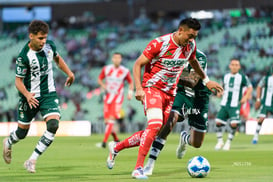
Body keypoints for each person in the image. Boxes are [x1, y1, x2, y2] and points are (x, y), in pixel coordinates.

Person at [106, 18, 223, 179]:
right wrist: (138, 89)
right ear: (180, 30)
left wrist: (207, 80)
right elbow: (137, 64)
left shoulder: (190, 46)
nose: (192, 40)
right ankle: (138, 168)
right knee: (154, 126)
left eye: (195, 36)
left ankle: (116, 147)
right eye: (190, 35)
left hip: (170, 93)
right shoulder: (159, 44)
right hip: (152, 88)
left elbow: (194, 62)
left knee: (156, 131)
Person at [2, 20, 75, 173]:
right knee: (22, 133)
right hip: (30, 97)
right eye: (40, 38)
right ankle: (8, 142)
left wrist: (69, 73)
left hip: (48, 94)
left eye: (45, 38)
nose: (43, 41)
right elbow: (18, 81)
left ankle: (32, 160)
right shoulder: (24, 57)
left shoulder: (50, 46)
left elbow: (57, 59)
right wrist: (28, 95)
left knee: (53, 125)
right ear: (31, 36)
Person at [143, 49, 214, 176]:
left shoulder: (200, 57)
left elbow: (193, 82)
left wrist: (169, 76)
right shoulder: (171, 54)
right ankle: (150, 162)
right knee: (172, 118)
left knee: (197, 143)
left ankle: (185, 138)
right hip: (182, 93)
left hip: (199, 98)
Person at [96, 52, 134, 148]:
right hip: (107, 97)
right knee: (107, 122)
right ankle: (116, 139)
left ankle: (104, 143)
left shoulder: (125, 71)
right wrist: (103, 86)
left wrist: (130, 93)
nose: (117, 60)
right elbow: (99, 79)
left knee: (111, 120)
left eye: (119, 58)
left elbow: (130, 82)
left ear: (121, 60)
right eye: (115, 58)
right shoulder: (107, 69)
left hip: (117, 98)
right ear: (112, 59)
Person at [214, 58, 252, 151]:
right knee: (218, 122)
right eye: (233, 64)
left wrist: (245, 97)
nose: (234, 66)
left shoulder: (242, 77)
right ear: (230, 66)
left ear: (239, 67)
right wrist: (219, 92)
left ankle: (228, 142)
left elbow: (250, 87)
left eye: (236, 65)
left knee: (234, 123)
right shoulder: (225, 76)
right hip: (224, 104)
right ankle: (220, 141)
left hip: (235, 104)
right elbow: (221, 87)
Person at [252, 69, 273, 144]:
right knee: (261, 118)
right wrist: (258, 99)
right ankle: (255, 136)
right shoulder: (266, 78)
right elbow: (259, 87)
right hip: (266, 103)